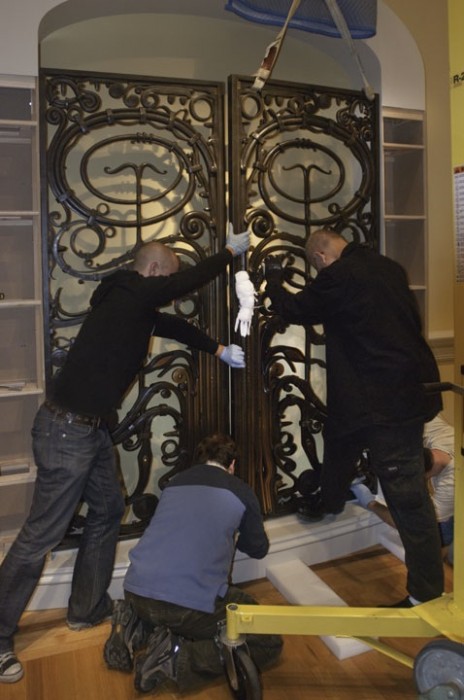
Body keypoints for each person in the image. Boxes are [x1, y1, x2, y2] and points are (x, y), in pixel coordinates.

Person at [0, 228, 250, 684]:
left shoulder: (130, 303)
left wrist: (216, 349)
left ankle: (87, 608)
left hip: (89, 430)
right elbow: (178, 288)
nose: (167, 293)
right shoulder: (131, 292)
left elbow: (171, 325)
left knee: (109, 508)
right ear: (153, 270)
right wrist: (227, 255)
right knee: (40, 536)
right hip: (66, 430)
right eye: (165, 280)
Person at [265, 228, 444, 608]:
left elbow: (296, 310)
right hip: (408, 393)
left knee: (409, 502)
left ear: (320, 258)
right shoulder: (389, 268)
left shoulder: (340, 276)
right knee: (342, 439)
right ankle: (328, 500)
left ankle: (425, 596)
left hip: (382, 404)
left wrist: (273, 279)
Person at [103, 433, 283, 694]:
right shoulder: (241, 491)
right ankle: (174, 660)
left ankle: (133, 625)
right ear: (232, 465)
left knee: (167, 610)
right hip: (184, 605)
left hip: (135, 589)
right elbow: (258, 549)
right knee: (267, 639)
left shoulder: (174, 484)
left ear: (201, 461)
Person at [352, 414, 454, 565]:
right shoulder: (435, 429)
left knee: (436, 534)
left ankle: (438, 563)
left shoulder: (452, 485)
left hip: (454, 499)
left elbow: (413, 524)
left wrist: (370, 503)